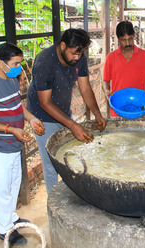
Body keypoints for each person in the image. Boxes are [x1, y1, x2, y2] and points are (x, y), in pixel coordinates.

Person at [27, 28, 106, 194]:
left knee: (68, 156)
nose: (77, 57)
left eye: (81, 53)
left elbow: (85, 88)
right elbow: (45, 103)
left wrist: (98, 114)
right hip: (42, 115)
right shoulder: (45, 61)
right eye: (74, 53)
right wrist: (73, 125)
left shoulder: (79, 57)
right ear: (63, 46)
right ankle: (54, 202)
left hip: (63, 110)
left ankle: (71, 195)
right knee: (51, 163)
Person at [0, 43, 45, 246]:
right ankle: (5, 231)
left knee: (12, 186)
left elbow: (17, 105)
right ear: (2, 63)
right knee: (1, 189)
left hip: (13, 144)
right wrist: (11, 129)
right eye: (15, 63)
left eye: (20, 63)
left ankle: (11, 219)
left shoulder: (11, 80)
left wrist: (30, 119)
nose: (19, 67)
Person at [103, 21, 145, 117]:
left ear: (134, 36)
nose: (127, 43)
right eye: (124, 40)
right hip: (118, 108)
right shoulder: (111, 57)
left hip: (141, 107)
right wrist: (107, 90)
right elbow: (106, 80)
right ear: (118, 39)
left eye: (130, 39)